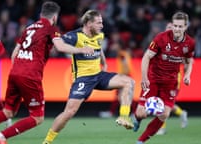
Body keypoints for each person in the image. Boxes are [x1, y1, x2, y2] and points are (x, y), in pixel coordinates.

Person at [0, 1, 94, 144]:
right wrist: (81, 50)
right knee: (37, 117)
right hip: (30, 76)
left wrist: (19, 68)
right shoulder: (51, 28)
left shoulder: (29, 28)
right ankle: (1, 137)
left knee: (8, 111)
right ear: (54, 17)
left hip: (15, 72)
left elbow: (14, 53)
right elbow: (60, 47)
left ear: (41, 14)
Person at [42, 10, 135, 144]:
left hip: (98, 75)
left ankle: (124, 117)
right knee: (69, 112)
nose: (101, 26)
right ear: (89, 23)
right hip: (83, 79)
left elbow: (98, 47)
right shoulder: (75, 36)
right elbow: (60, 46)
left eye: (101, 22)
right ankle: (47, 141)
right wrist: (80, 50)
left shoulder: (99, 35)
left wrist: (103, 62)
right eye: (98, 23)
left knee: (128, 82)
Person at [132, 11, 195, 144]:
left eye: (180, 26)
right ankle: (137, 119)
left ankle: (141, 141)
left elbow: (189, 61)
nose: (177, 29)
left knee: (164, 114)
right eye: (175, 26)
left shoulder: (189, 43)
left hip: (170, 83)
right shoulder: (161, 38)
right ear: (172, 25)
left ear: (185, 27)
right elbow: (146, 57)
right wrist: (144, 78)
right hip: (153, 79)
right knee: (141, 113)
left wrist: (187, 75)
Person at [156, 22, 188, 135]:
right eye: (168, 28)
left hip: (173, 79)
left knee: (163, 103)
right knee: (165, 103)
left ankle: (161, 128)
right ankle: (181, 113)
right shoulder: (160, 43)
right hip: (160, 77)